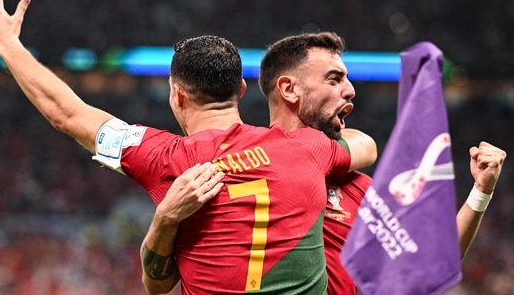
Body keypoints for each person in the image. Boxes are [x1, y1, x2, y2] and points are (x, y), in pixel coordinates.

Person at [0, 0, 377, 294]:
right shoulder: (306, 148)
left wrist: (8, 45)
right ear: (239, 90)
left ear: (177, 95)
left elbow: (66, 112)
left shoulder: (163, 157)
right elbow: (363, 146)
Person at [141, 32, 507, 295]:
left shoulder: (358, 188)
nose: (350, 90)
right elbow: (160, 280)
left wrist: (481, 192)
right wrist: (165, 219)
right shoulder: (220, 168)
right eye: (334, 79)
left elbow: (430, 261)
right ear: (289, 89)